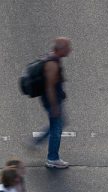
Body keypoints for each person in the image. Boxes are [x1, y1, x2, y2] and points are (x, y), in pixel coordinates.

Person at [32, 37, 71, 169]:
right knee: (57, 128)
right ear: (60, 49)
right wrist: (54, 106)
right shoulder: (52, 64)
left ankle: (37, 141)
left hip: (53, 100)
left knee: (58, 125)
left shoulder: (53, 59)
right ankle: (52, 158)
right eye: (67, 47)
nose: (70, 50)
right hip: (52, 101)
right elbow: (50, 87)